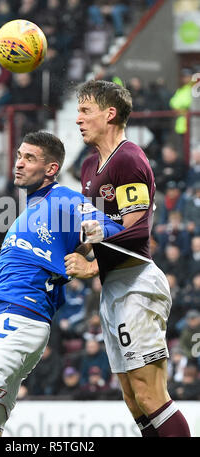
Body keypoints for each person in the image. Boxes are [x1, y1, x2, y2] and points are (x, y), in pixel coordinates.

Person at [0, 130, 124, 437]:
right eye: (19, 156)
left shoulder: (64, 199)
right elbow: (85, 238)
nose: (19, 164)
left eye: (29, 158)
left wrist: (93, 267)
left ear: (51, 169)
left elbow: (115, 232)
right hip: (23, 320)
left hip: (18, 317)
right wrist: (83, 247)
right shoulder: (37, 207)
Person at [64, 80, 191, 437]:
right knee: (133, 399)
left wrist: (91, 266)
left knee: (150, 395)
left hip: (136, 282)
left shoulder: (129, 158)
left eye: (85, 110)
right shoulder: (90, 167)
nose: (78, 119)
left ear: (110, 113)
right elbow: (96, 230)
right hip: (114, 289)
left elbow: (137, 232)